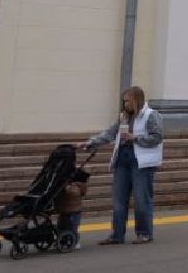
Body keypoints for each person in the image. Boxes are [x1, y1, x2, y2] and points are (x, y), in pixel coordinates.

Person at [84, 86, 163, 245]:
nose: (125, 104)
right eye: (124, 101)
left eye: (128, 101)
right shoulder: (123, 117)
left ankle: (144, 233)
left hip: (141, 162)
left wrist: (135, 138)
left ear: (136, 100)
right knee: (119, 200)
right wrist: (91, 143)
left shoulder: (151, 115)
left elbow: (157, 137)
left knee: (142, 199)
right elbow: (110, 133)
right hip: (122, 159)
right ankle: (117, 235)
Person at [54, 160, 89, 250]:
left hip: (74, 210)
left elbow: (77, 193)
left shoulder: (78, 185)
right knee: (61, 225)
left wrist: (69, 186)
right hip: (63, 209)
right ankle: (62, 239)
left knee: (73, 226)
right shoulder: (63, 181)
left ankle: (75, 241)